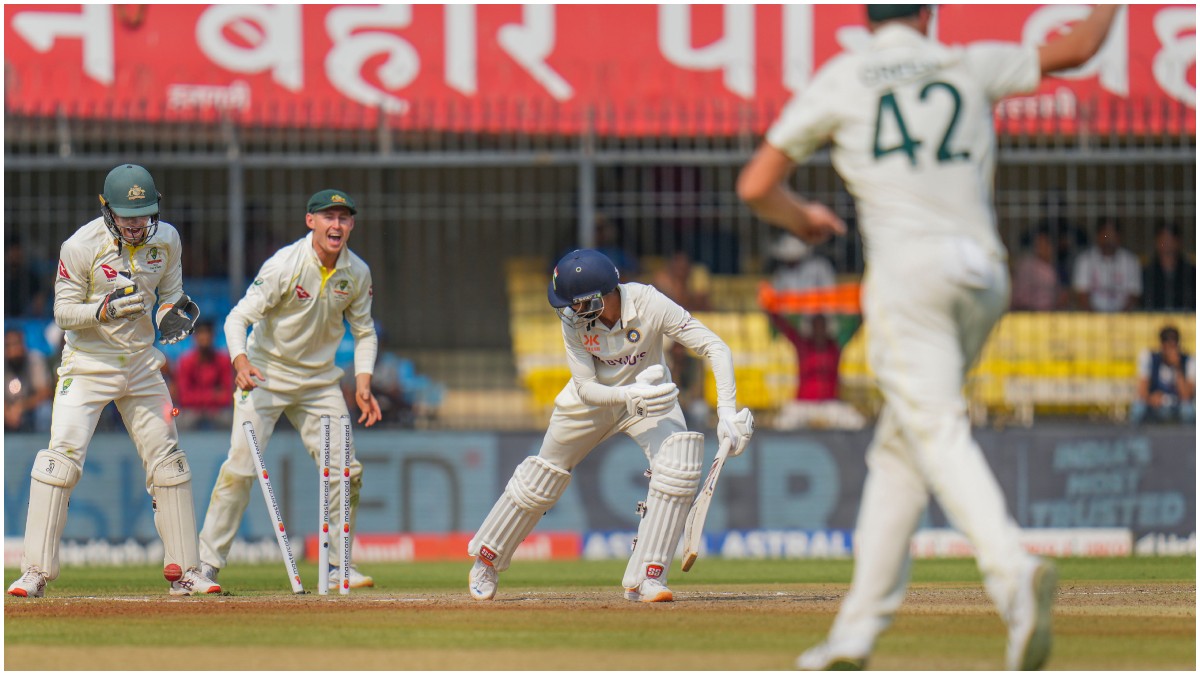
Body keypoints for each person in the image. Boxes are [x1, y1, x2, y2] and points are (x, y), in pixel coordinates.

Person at [736, 4, 1118, 670]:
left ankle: (1012, 575)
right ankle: (854, 633)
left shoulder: (846, 77)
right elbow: (1082, 45)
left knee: (934, 428)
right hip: (983, 273)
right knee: (900, 450)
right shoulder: (967, 63)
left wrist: (801, 219)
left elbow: (756, 183)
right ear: (929, 13)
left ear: (866, 17)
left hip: (909, 278)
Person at [467, 249, 753, 603]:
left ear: (599, 297)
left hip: (649, 397)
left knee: (679, 464)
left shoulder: (649, 303)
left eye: (575, 302)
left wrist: (726, 413)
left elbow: (715, 347)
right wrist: (626, 396)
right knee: (541, 477)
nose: (569, 309)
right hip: (593, 402)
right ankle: (487, 559)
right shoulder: (574, 322)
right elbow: (586, 387)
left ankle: (647, 576)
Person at [7, 163, 217, 597]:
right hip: (88, 364)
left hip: (141, 364)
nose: (137, 225)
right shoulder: (80, 246)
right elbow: (62, 313)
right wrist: (102, 311)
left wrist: (171, 314)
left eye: (144, 215)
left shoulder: (167, 239)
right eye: (127, 216)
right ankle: (35, 572)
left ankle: (186, 571)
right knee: (60, 459)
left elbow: (170, 294)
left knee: (168, 460)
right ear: (107, 210)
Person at [198, 189, 382, 590]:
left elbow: (365, 331)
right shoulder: (285, 264)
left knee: (346, 471)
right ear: (310, 221)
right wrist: (240, 362)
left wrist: (363, 381)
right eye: (328, 217)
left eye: (344, 218)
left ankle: (339, 566)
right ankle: (206, 564)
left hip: (320, 382)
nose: (336, 225)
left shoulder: (357, 272)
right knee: (240, 468)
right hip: (265, 374)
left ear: (352, 224)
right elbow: (237, 318)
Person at [767, 313, 865, 430]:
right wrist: (769, 308)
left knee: (857, 423)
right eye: (816, 324)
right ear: (811, 326)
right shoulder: (803, 345)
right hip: (803, 405)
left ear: (827, 326)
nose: (819, 328)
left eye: (822, 324)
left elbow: (855, 326)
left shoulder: (835, 345)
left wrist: (863, 310)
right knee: (782, 425)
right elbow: (783, 325)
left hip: (830, 404)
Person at [173, 320, 234, 431]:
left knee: (230, 419)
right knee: (178, 420)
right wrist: (213, 395)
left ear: (213, 336)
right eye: (201, 333)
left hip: (217, 411)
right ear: (195, 337)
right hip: (192, 411)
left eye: (208, 333)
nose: (205, 337)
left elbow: (227, 396)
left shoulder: (223, 360)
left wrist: (198, 396)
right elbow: (183, 397)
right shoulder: (185, 361)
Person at [1071, 217, 1142, 312]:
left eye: (1112, 235)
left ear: (1119, 237)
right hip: (1091, 317)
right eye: (1105, 235)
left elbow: (1134, 295)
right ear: (1097, 236)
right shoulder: (1085, 260)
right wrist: (1096, 318)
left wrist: (1120, 318)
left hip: (1123, 317)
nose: (1108, 239)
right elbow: (1081, 295)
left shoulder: (1130, 261)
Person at [1130, 325, 1195, 426]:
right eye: (1168, 347)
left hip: (1176, 405)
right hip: (1155, 406)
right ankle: (1135, 435)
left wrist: (1178, 367)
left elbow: (1187, 396)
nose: (1171, 351)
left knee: (1188, 410)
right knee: (1138, 408)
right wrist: (1151, 398)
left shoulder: (1188, 361)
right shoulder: (1149, 358)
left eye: (1174, 346)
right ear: (1162, 346)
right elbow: (1142, 391)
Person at [4, 328, 53, 432]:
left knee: (45, 410)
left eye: (16, 344)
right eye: (8, 345)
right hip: (6, 410)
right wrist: (7, 412)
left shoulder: (34, 359)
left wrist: (21, 407)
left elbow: (45, 391)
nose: (13, 349)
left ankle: (42, 441)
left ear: (23, 344)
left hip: (30, 409)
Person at [1141, 221, 1196, 311]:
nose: (1166, 243)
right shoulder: (1147, 273)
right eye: (1162, 238)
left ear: (1178, 242)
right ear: (1156, 242)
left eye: (1170, 238)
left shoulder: (1191, 273)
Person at [1011, 226, 1067, 311]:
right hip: (1024, 310)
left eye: (1044, 244)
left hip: (1049, 312)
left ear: (1052, 247)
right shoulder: (1026, 265)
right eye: (1038, 245)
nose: (1040, 248)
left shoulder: (1058, 268)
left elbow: (1063, 295)